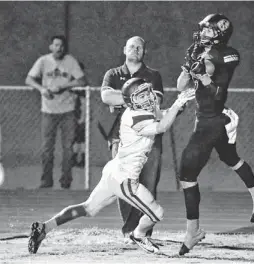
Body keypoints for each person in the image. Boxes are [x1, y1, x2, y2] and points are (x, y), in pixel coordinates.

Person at [28, 78, 195, 255]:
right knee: (157, 213)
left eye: (147, 93)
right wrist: (177, 104)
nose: (148, 97)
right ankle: (138, 234)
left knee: (87, 208)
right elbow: (161, 126)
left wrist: (179, 105)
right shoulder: (135, 117)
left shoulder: (137, 111)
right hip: (125, 179)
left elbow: (161, 115)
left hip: (114, 171)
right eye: (142, 95)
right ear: (131, 100)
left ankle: (44, 228)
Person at [176, 14, 254, 255]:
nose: (202, 32)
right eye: (203, 29)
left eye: (208, 30)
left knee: (187, 173)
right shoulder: (201, 52)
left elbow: (218, 93)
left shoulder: (226, 54)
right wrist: (189, 71)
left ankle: (193, 231)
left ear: (219, 34)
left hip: (212, 120)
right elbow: (180, 86)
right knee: (230, 157)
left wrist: (204, 75)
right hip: (208, 117)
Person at [101, 36, 164, 242]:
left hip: (149, 137)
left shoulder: (153, 75)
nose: (135, 49)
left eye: (139, 47)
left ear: (144, 52)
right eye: (131, 46)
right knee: (124, 184)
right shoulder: (113, 73)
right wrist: (138, 97)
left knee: (148, 184)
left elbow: (155, 103)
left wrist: (122, 100)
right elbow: (106, 97)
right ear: (124, 49)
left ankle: (144, 232)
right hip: (121, 138)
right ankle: (129, 232)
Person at [25, 35, 87, 189]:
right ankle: (46, 182)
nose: (59, 48)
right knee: (47, 148)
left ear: (64, 48)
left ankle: (66, 183)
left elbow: (82, 81)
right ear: (51, 47)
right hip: (48, 111)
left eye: (61, 46)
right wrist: (42, 89)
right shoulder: (43, 61)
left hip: (68, 111)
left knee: (68, 148)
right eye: (56, 45)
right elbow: (29, 79)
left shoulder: (70, 61)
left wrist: (63, 87)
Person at [72, 62, 86, 168]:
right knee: (74, 138)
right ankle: (74, 157)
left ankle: (83, 158)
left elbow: (84, 101)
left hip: (80, 115)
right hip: (73, 115)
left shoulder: (82, 85)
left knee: (81, 138)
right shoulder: (72, 83)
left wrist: (83, 117)